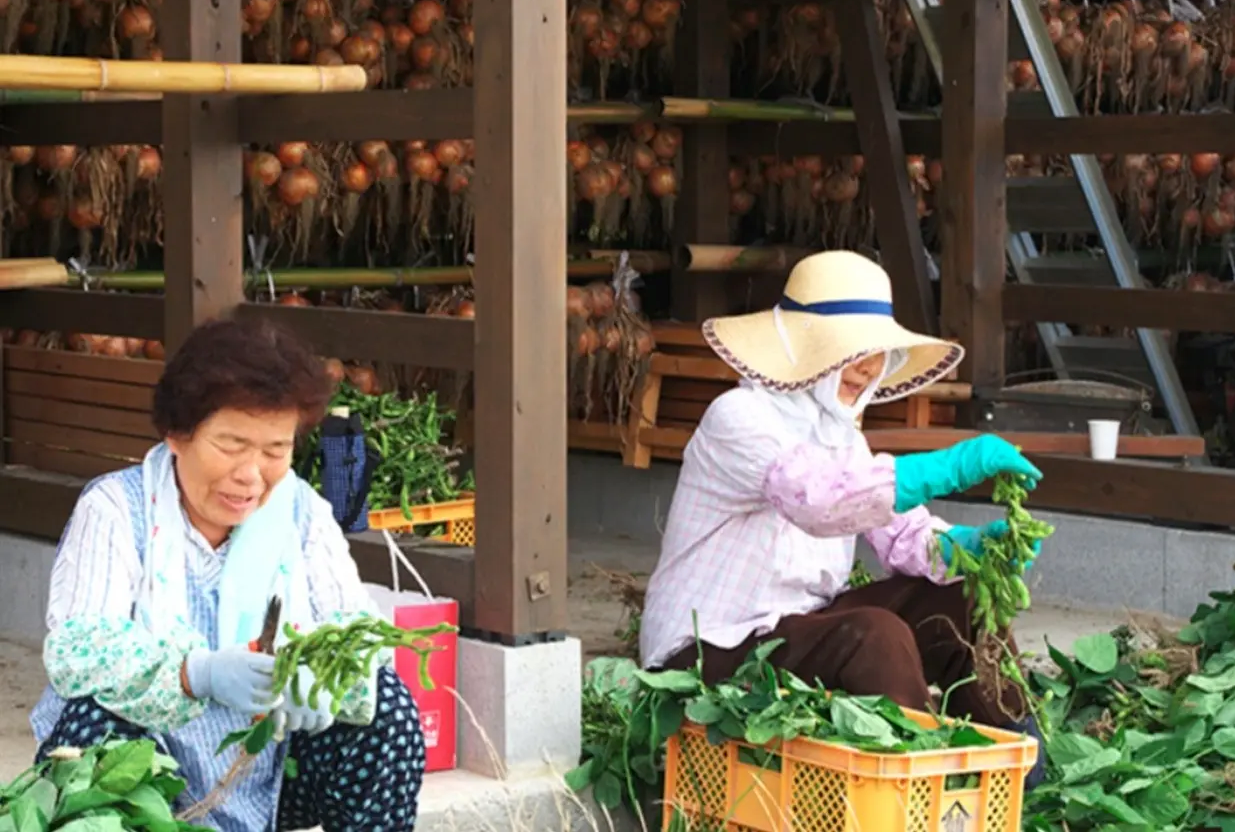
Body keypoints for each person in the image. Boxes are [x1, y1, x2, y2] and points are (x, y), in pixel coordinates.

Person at [638, 250, 1047, 787]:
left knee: (964, 596)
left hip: (795, 626)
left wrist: (966, 549)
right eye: (853, 350)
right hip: (704, 652)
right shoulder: (739, 418)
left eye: (878, 352)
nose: (869, 366)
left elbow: (899, 531)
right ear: (808, 350)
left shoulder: (839, 432)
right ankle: (915, 792)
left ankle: (1021, 767)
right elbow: (819, 498)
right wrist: (953, 465)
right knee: (873, 635)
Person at [29, 318, 426, 831]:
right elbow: (79, 650)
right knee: (89, 725)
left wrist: (325, 680)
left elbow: (358, 633)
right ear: (178, 434)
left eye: (275, 451)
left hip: (268, 764)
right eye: (232, 445)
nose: (251, 474)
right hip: (152, 771)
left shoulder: (301, 512)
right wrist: (198, 674)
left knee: (387, 712)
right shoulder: (116, 508)